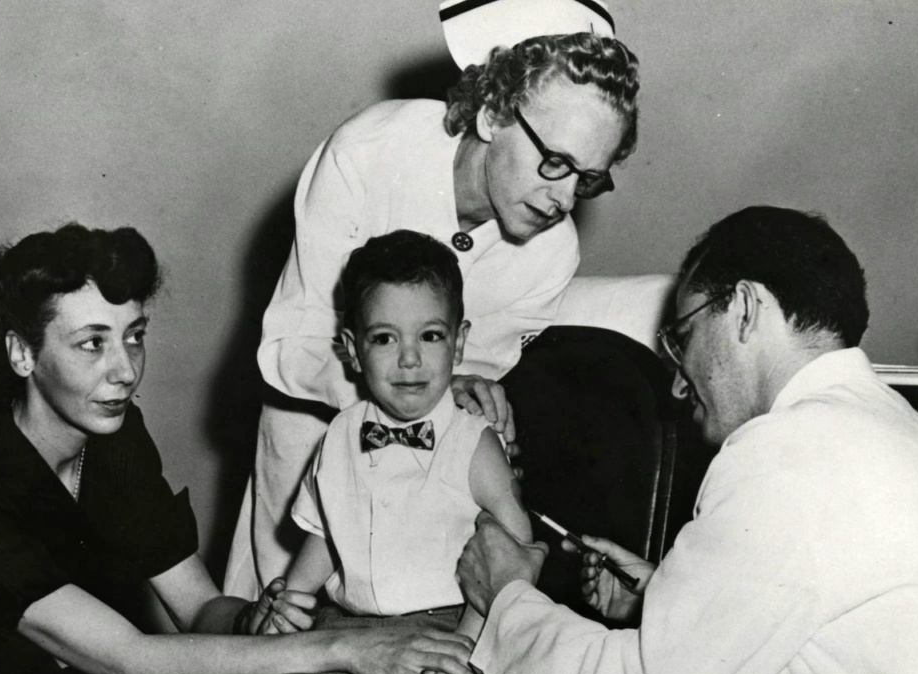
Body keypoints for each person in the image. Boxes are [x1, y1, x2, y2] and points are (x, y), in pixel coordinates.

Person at [0, 224, 478, 674]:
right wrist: (349, 646)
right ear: (21, 354)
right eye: (91, 343)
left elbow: (199, 609)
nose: (126, 370)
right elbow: (134, 665)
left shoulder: (113, 437)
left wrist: (256, 621)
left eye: (134, 335)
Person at [225, 1, 641, 600]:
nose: (564, 198)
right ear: (495, 112)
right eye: (555, 163)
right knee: (273, 633)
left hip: (425, 492)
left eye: (588, 179)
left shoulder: (552, 254)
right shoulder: (367, 155)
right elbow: (293, 348)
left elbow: (469, 379)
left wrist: (473, 392)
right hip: (312, 446)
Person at [456, 206, 918, 674]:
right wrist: (665, 596)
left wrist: (506, 599)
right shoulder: (895, 426)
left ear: (745, 309)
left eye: (685, 337)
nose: (680, 387)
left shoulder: (784, 452)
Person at [266, 231, 529, 674]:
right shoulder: (341, 434)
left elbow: (514, 553)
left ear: (459, 342)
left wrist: (466, 645)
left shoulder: (472, 441)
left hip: (450, 626)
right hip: (347, 625)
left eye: (430, 336)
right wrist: (293, 599)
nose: (410, 359)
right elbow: (328, 533)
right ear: (352, 349)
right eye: (385, 338)